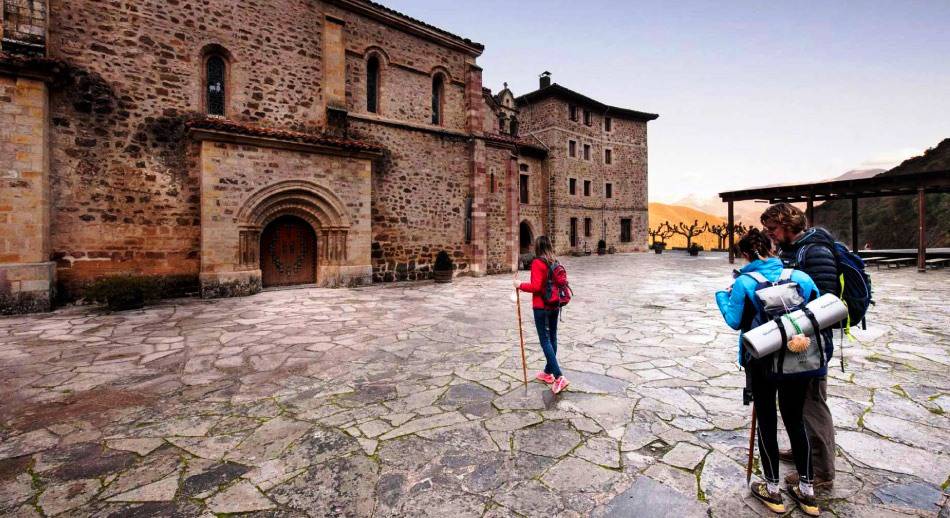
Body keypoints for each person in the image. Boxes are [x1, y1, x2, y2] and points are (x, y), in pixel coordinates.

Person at [715, 229, 822, 516]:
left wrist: (721, 297)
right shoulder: (800, 278)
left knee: (765, 419)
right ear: (773, 249)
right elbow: (816, 309)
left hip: (761, 360)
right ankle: (807, 491)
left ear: (746, 254)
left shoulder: (745, 282)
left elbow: (735, 321)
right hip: (799, 358)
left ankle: (772, 489)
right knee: (795, 419)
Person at [760, 203, 837, 491]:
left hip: (811, 342)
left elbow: (827, 302)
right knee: (796, 402)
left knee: (812, 403)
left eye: (773, 229)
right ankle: (801, 448)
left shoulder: (815, 251)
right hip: (794, 338)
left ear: (789, 224)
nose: (770, 235)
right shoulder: (790, 250)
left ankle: (821, 471)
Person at [515, 236, 569, 394]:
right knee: (552, 337)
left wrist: (520, 285)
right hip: (555, 305)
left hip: (541, 307)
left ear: (537, 247)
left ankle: (559, 377)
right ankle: (548, 372)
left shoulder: (538, 263)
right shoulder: (555, 261)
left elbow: (536, 287)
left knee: (545, 341)